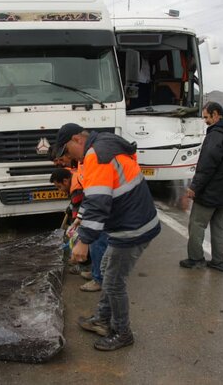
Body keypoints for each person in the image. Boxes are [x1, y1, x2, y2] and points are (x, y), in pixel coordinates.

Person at [54, 123, 161, 351]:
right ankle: (102, 319)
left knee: (113, 282)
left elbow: (99, 201)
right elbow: (98, 192)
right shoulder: (104, 144)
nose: (67, 158)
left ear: (77, 140)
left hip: (132, 228)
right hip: (133, 221)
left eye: (65, 151)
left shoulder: (96, 155)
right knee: (107, 269)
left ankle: (123, 333)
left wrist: (83, 241)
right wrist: (80, 217)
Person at [179, 102, 223, 272]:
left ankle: (195, 259)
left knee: (196, 224)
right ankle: (219, 261)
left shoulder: (216, 135)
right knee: (220, 226)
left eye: (206, 117)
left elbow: (206, 165)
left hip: (210, 191)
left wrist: (194, 187)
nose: (205, 120)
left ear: (216, 115)